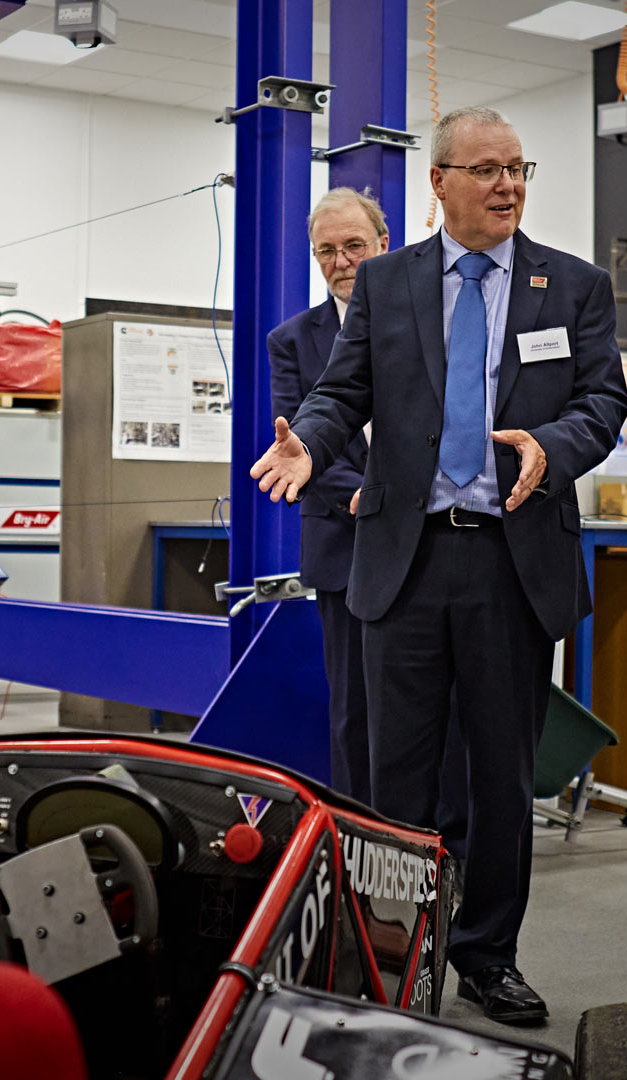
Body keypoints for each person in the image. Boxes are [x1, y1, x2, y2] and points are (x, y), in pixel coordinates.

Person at [250, 106, 627, 1024]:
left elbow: (604, 400)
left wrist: (552, 445)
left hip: (510, 559)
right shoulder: (387, 284)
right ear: (440, 182)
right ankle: (389, 953)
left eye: (518, 167)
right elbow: (343, 391)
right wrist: (312, 443)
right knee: (397, 779)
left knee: (501, 777)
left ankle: (487, 956)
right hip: (404, 561)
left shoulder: (570, 285)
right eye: (487, 169)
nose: (507, 184)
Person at [265, 187, 385, 799]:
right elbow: (298, 435)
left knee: (426, 706)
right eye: (326, 251)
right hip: (342, 544)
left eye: (354, 246)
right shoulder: (291, 340)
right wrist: (362, 493)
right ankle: (361, 838)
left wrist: (396, 492)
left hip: (419, 540)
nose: (341, 262)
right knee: (353, 707)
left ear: (383, 245)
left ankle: (435, 845)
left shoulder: (422, 326)